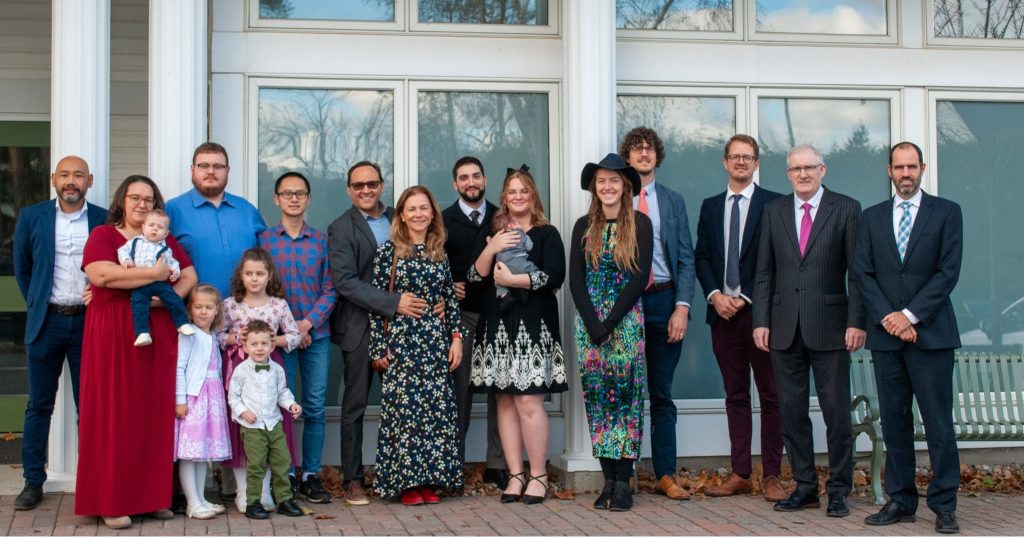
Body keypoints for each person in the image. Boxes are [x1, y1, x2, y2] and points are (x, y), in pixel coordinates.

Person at [76, 175, 197, 529]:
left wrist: (160, 298)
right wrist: (155, 275)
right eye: (135, 198)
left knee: (153, 414)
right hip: (113, 332)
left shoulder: (164, 236)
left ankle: (153, 497)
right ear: (122, 201)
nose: (142, 205)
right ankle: (112, 501)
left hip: (157, 330)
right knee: (116, 414)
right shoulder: (104, 235)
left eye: (149, 199)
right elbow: (102, 276)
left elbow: (188, 276)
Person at [854, 142, 963, 534]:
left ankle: (944, 505)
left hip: (930, 336)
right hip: (887, 339)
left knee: (938, 424)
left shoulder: (947, 212)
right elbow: (862, 274)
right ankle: (900, 501)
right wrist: (890, 319)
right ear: (889, 171)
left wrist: (910, 315)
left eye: (911, 167)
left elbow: (947, 272)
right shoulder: (871, 218)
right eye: (898, 167)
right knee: (895, 424)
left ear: (923, 168)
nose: (905, 174)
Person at [752, 145, 866, 518]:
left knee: (835, 413)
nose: (802, 174)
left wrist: (856, 321)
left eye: (809, 167)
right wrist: (761, 321)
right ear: (787, 174)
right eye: (795, 169)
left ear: (822, 170)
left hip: (831, 328)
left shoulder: (846, 208)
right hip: (784, 329)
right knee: (791, 412)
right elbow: (765, 272)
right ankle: (805, 486)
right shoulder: (774, 212)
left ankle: (838, 489)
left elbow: (858, 273)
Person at [694, 135, 786, 502]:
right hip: (722, 316)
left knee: (771, 394)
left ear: (757, 163)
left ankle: (774, 476)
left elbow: (779, 257)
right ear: (725, 161)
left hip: (762, 314)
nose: (741, 162)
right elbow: (702, 256)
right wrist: (715, 295)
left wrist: (744, 295)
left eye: (748, 157)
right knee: (735, 394)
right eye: (735, 156)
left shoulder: (776, 204)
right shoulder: (711, 206)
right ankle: (741, 472)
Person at [12, 156, 107, 511]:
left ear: (89, 180)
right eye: (65, 174)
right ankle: (32, 481)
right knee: (39, 405)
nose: (71, 181)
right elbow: (24, 269)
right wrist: (39, 301)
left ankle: (92, 481)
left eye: (78, 175)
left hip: (89, 322)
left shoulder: (102, 218)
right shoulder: (32, 216)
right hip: (46, 322)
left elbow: (112, 265)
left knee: (91, 407)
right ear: (54, 178)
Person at [469, 167, 567, 505]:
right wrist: (492, 246)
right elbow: (474, 275)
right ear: (504, 197)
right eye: (512, 191)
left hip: (534, 324)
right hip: (497, 324)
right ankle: (514, 475)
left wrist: (514, 281)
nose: (518, 196)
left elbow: (555, 277)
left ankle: (538, 475)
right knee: (505, 400)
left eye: (523, 190)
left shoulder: (547, 233)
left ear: (533, 195)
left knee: (529, 400)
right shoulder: (494, 231)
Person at [368, 185, 463, 505]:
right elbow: (376, 302)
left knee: (435, 413)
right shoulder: (389, 251)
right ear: (402, 216)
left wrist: (456, 339)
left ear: (433, 213)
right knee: (405, 415)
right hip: (403, 343)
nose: (419, 214)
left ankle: (429, 481)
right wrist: (378, 347)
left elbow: (449, 300)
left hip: (435, 343)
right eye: (412, 209)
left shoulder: (439, 252)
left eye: (424, 208)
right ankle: (406, 484)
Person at [569, 154, 653, 512]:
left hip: (626, 324)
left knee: (627, 400)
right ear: (594, 187)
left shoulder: (641, 225)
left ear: (625, 186)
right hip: (589, 327)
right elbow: (576, 280)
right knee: (600, 401)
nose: (607, 187)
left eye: (613, 181)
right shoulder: (582, 227)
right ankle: (607, 479)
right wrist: (593, 324)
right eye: (601, 181)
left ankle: (624, 481)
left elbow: (639, 277)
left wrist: (611, 323)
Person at [619, 127, 696, 501]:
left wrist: (682, 307)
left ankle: (665, 473)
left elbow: (685, 258)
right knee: (627, 391)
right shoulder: (617, 199)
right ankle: (625, 472)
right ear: (628, 158)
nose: (644, 154)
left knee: (661, 393)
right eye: (637, 149)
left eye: (649, 148)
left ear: (657, 156)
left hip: (665, 302)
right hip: (626, 304)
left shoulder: (673, 201)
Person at [258, 171, 336, 503]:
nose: (293, 198)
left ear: (308, 199)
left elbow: (332, 288)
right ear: (276, 199)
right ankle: (286, 473)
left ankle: (311, 475)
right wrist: (289, 329)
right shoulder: (263, 241)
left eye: (299, 193)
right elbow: (259, 285)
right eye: (287, 193)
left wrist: (305, 325)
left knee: (316, 407)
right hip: (278, 340)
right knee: (282, 406)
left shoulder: (322, 241)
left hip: (315, 335)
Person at [218, 247, 302, 514]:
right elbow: (216, 334)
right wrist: (238, 339)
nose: (254, 278)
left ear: (269, 276)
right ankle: (245, 491)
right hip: (239, 368)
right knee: (244, 429)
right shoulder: (231, 304)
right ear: (241, 276)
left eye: (260, 273)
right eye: (249, 273)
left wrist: (270, 341)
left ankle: (269, 491)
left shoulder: (278, 305)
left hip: (270, 366)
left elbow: (294, 335)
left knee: (272, 431)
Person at [441, 156, 508, 488]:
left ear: (485, 179)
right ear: (455, 184)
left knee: (500, 392)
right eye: (464, 178)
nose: (471, 182)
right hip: (462, 317)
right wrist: (446, 284)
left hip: (497, 315)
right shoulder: (443, 220)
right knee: (460, 393)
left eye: (476, 176)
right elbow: (432, 264)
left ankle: (498, 463)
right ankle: (454, 464)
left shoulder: (501, 217)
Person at [166, 142, 267, 298]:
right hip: (195, 314)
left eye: (218, 166)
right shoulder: (172, 210)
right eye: (204, 166)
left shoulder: (247, 210)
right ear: (192, 170)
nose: (211, 171)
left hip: (245, 314)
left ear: (227, 170)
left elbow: (267, 259)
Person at [227, 319, 305, 519]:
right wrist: (243, 412)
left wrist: (291, 405)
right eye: (254, 344)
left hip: (273, 424)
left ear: (272, 346)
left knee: (282, 462)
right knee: (256, 464)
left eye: (264, 344)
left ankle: (284, 500)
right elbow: (233, 397)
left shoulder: (277, 369)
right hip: (252, 427)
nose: (259, 348)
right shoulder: (241, 370)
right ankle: (253, 502)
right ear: (245, 346)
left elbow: (282, 393)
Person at [175, 284, 232, 519]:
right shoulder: (188, 333)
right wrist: (180, 400)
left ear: (217, 310)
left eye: (208, 307)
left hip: (212, 397)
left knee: (202, 453)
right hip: (194, 399)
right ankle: (192, 502)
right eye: (198, 307)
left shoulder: (212, 336)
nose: (203, 312)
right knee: (190, 453)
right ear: (190, 309)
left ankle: (200, 499)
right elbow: (180, 368)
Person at [117, 209, 195, 346]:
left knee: (174, 299)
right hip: (139, 283)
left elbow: (173, 263)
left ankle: (182, 323)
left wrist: (175, 272)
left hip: (160, 284)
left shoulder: (166, 249)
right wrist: (126, 260)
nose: (154, 229)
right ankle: (142, 333)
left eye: (160, 227)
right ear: (143, 227)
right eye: (151, 225)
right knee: (139, 305)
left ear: (166, 233)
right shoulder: (134, 242)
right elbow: (122, 251)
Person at [490, 212, 539, 308]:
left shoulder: (497, 238)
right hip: (520, 264)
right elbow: (529, 247)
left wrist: (489, 241)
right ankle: (523, 290)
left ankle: (505, 297)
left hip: (503, 268)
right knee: (534, 270)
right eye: (516, 222)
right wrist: (524, 234)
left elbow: (492, 248)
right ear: (511, 225)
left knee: (500, 284)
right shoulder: (519, 233)